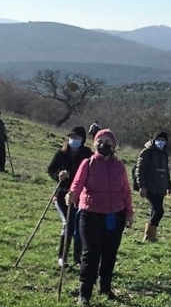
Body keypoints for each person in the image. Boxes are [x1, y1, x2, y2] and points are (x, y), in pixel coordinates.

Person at [66, 129, 133, 306]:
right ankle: (84, 293)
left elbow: (125, 191)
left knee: (110, 253)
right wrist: (72, 194)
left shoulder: (119, 167)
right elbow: (77, 183)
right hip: (90, 214)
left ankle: (105, 287)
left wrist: (129, 213)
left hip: (114, 216)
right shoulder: (88, 164)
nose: (104, 144)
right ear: (94, 143)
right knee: (91, 254)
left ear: (114, 146)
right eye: (100, 140)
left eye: (108, 142)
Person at [47, 126, 93, 268]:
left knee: (79, 226)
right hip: (62, 195)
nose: (73, 140)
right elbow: (51, 170)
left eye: (77, 138)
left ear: (83, 140)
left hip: (79, 196)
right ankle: (62, 258)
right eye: (71, 137)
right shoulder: (61, 153)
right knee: (67, 223)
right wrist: (58, 175)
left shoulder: (87, 154)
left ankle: (77, 258)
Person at [134, 131, 171, 242]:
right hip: (150, 187)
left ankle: (151, 237)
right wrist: (142, 186)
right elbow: (139, 170)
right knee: (158, 211)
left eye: (163, 140)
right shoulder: (147, 152)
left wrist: (169, 186)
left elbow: (166, 172)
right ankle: (148, 236)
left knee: (155, 210)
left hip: (160, 188)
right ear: (153, 140)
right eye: (159, 139)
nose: (161, 142)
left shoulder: (164, 154)